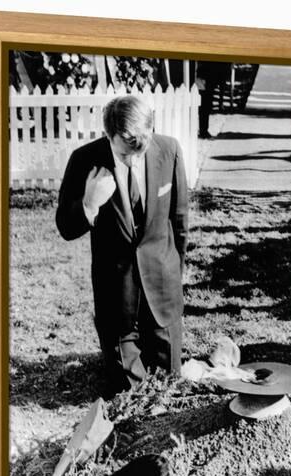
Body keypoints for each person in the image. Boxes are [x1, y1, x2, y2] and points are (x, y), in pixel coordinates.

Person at [56, 95, 188, 397]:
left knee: (170, 387)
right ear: (108, 134)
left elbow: (179, 220)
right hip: (116, 295)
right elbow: (65, 226)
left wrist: (174, 276)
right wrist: (89, 203)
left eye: (141, 148)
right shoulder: (84, 160)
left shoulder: (169, 151)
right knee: (126, 393)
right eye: (126, 150)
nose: (135, 158)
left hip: (163, 288)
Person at [197, 61, 230, 139]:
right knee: (204, 105)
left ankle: (203, 130)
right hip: (205, 76)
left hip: (211, 76)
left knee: (206, 105)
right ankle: (203, 131)